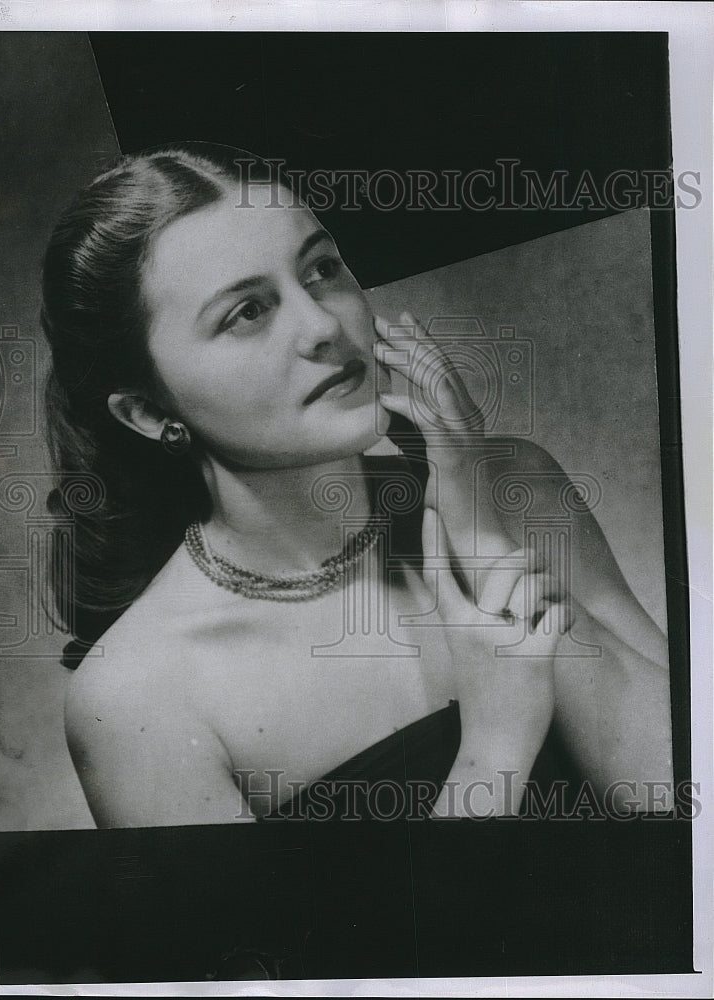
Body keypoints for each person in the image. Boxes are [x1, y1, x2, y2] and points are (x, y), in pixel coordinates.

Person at [41, 142, 673, 828]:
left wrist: (477, 530)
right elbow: (272, 943)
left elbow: (681, 812)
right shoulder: (136, 693)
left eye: (320, 268)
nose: (321, 326)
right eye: (247, 311)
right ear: (151, 411)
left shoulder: (514, 488)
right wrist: (496, 746)